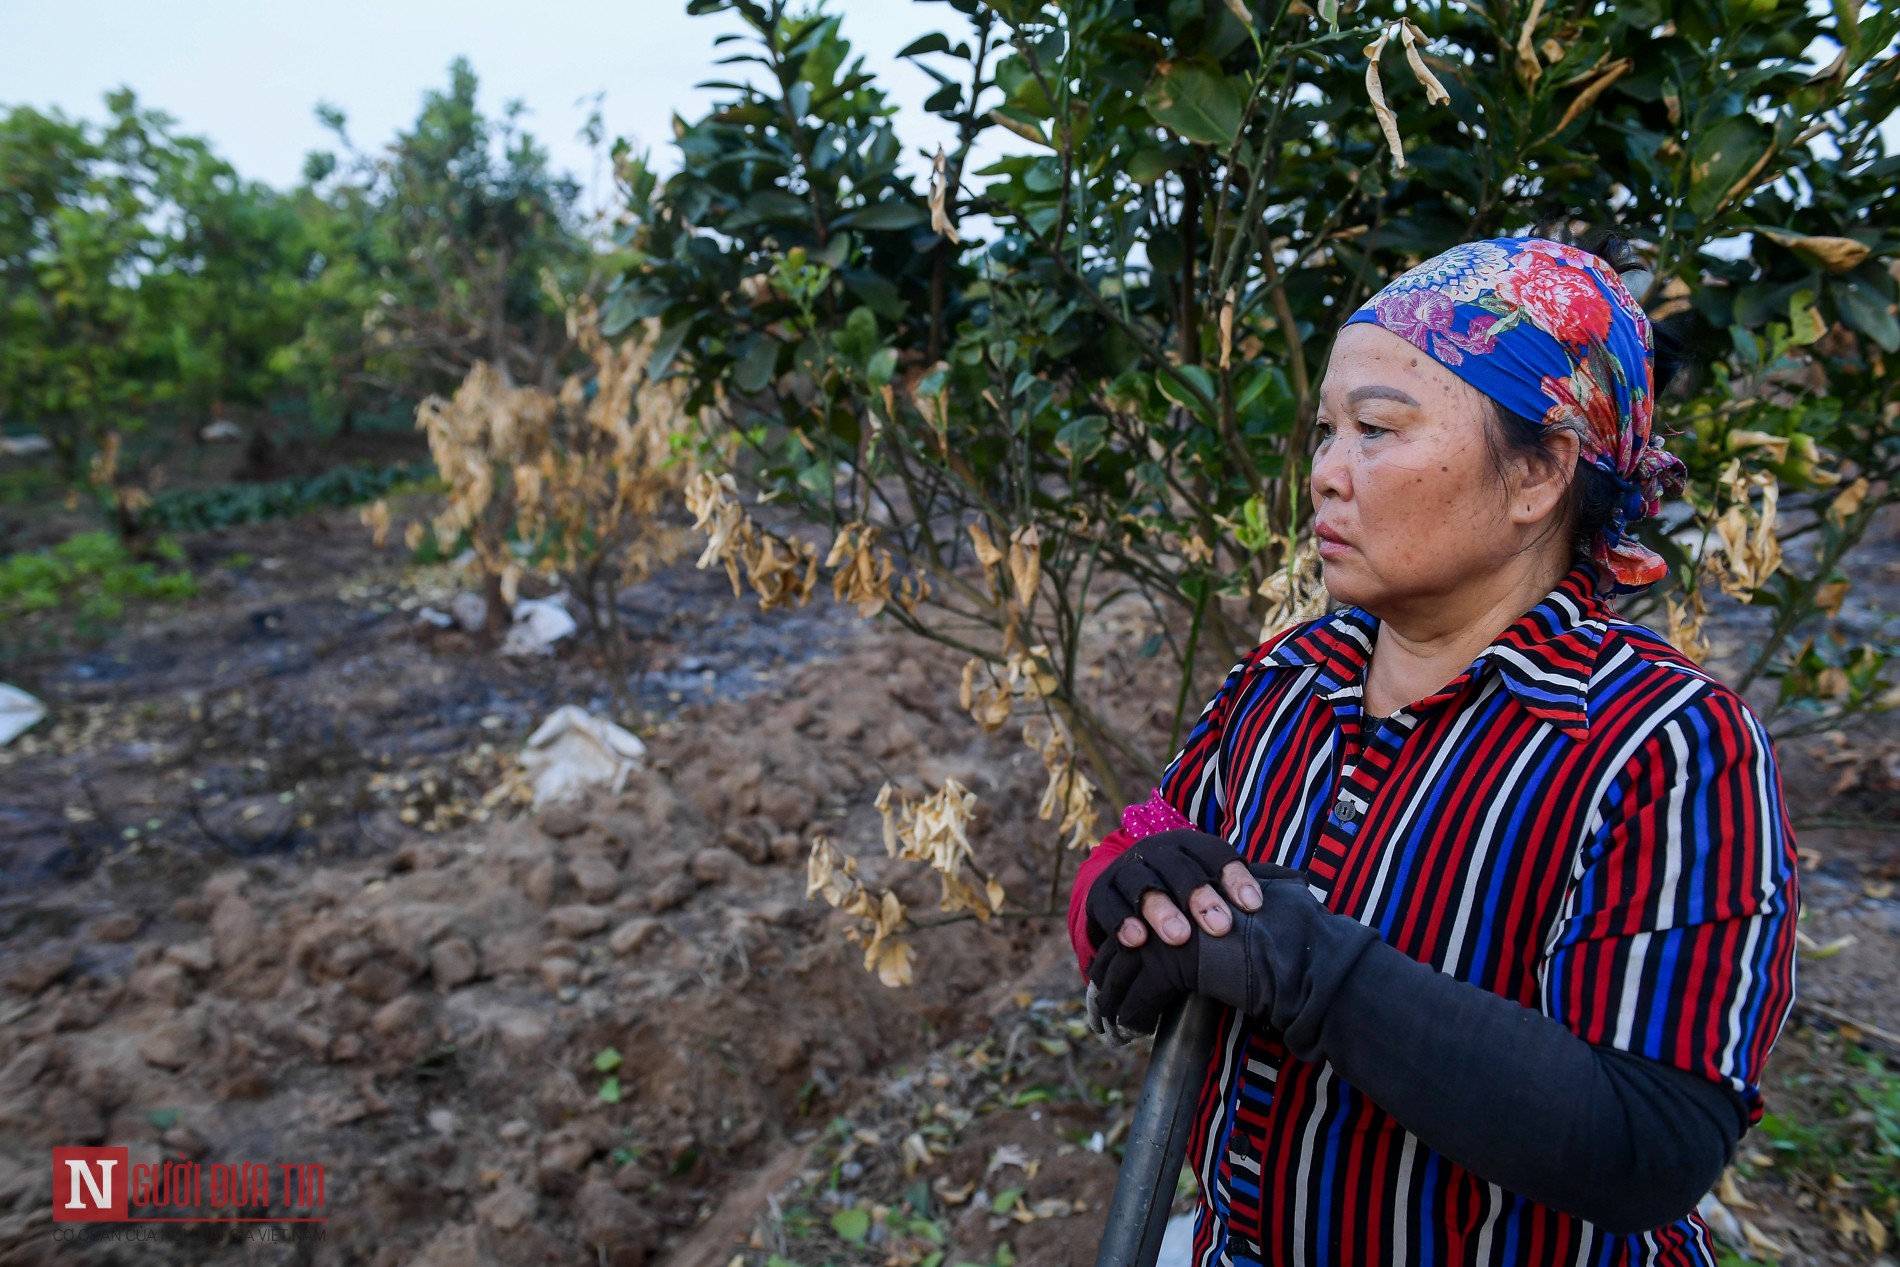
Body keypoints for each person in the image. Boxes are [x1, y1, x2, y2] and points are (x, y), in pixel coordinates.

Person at [1068, 235, 1799, 1267]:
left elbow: (1650, 1141)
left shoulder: (1662, 745)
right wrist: (1119, 889)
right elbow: (1140, 858)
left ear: (1539, 471)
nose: (1324, 472)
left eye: (1375, 430)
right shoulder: (1287, 679)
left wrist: (1317, 970)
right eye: (1324, 431)